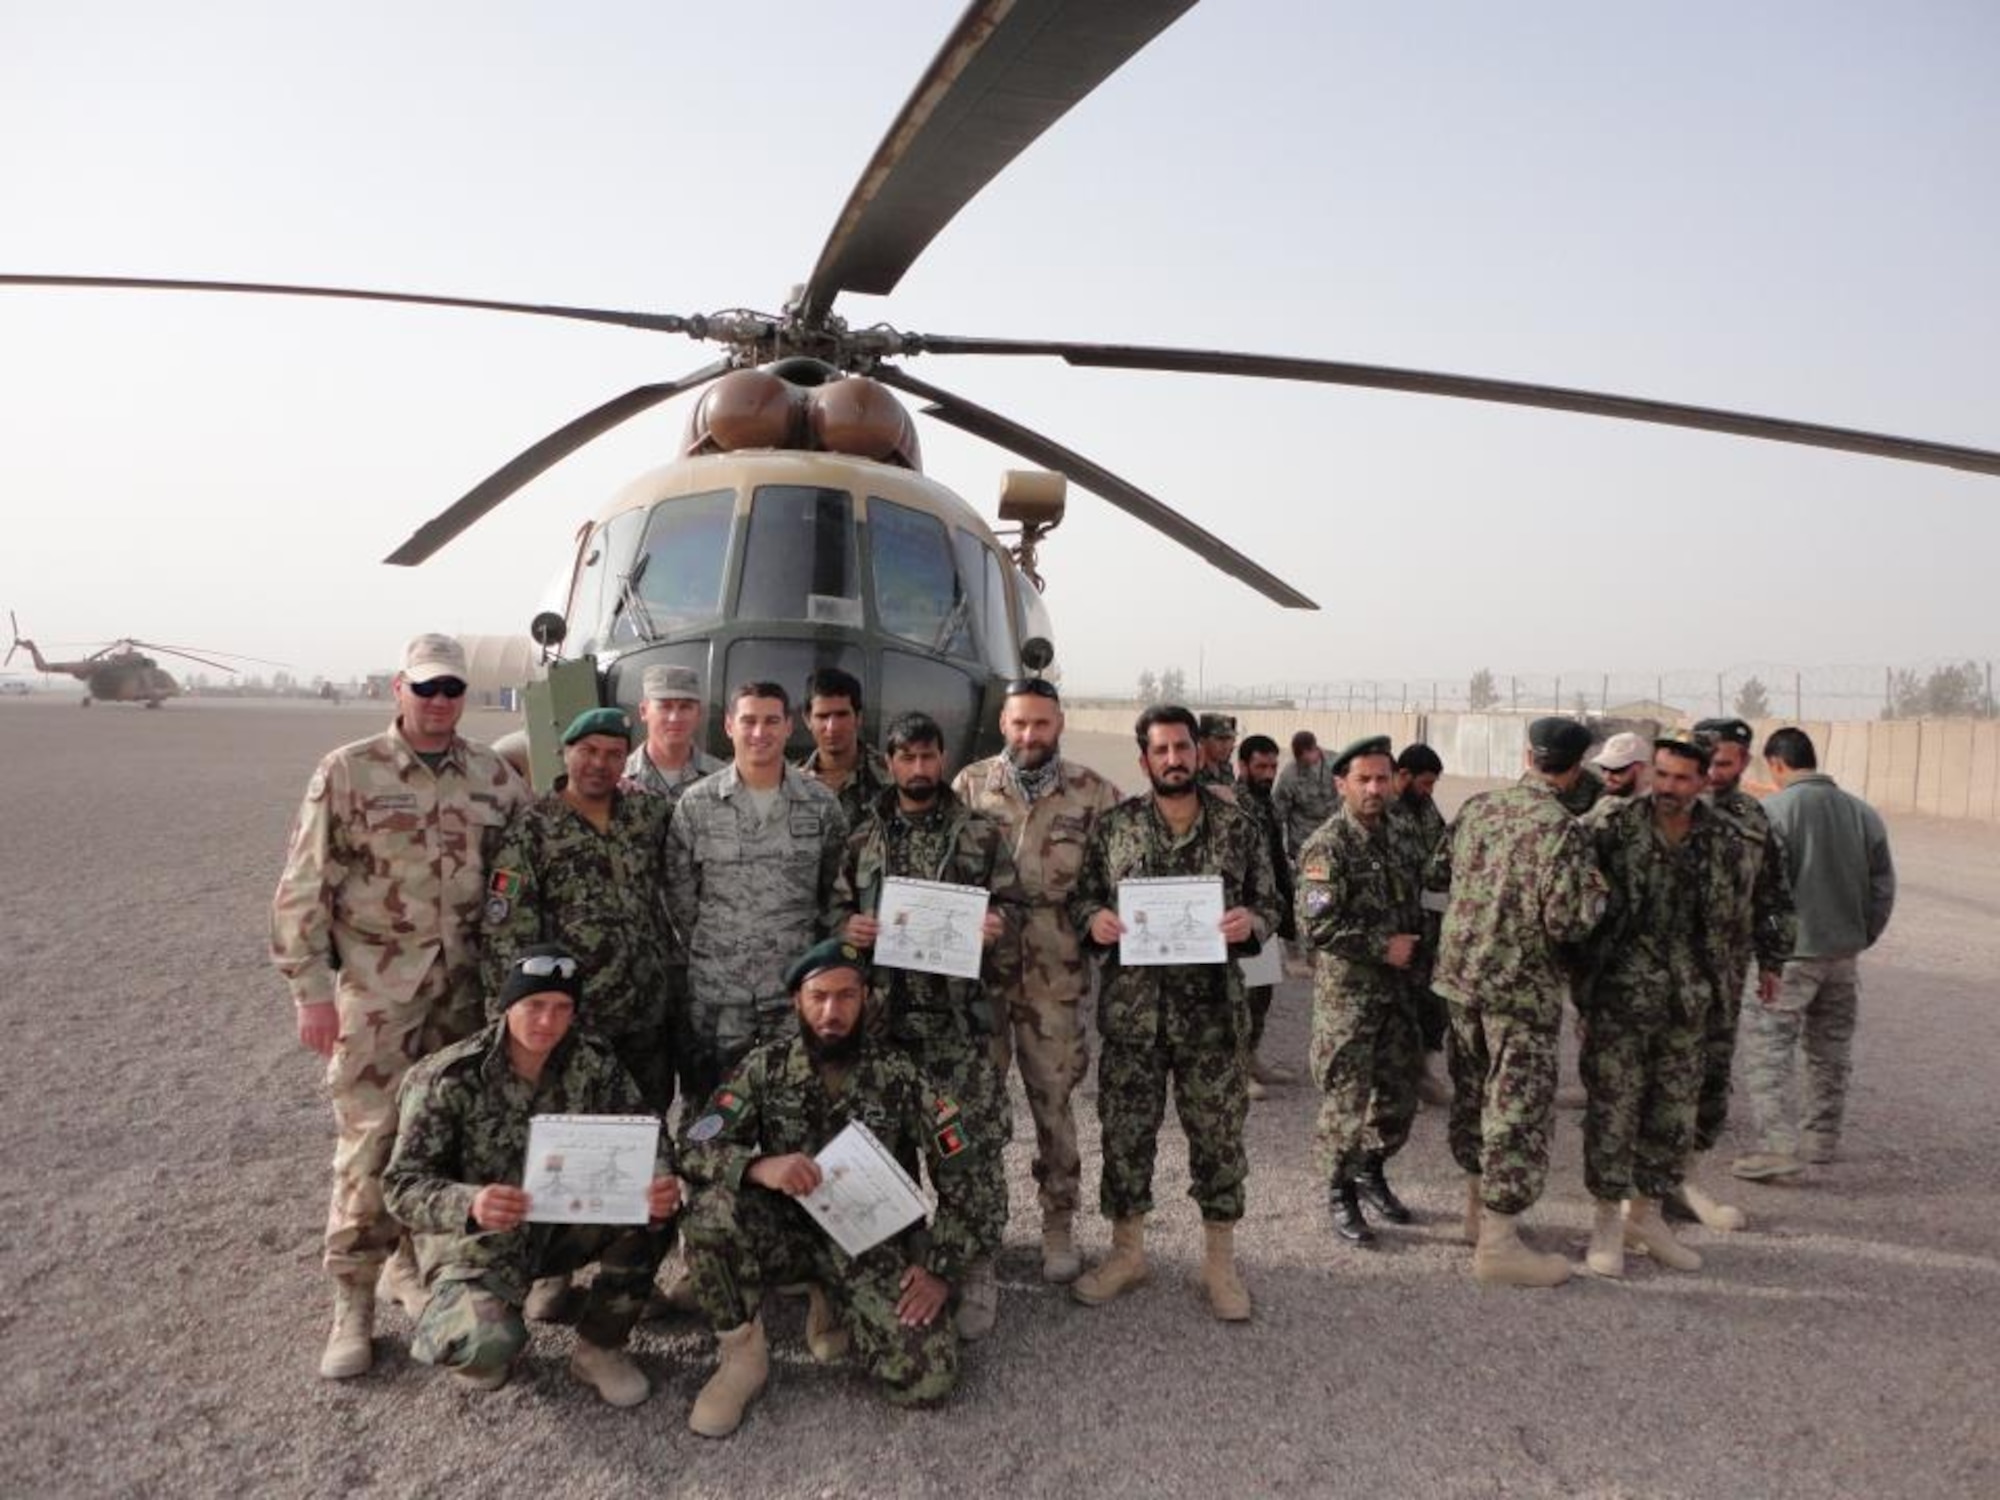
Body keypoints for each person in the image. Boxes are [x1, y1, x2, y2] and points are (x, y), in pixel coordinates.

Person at [270, 632, 529, 1379]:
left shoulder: (492, 777)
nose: (441, 702)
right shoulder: (349, 772)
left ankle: (412, 1268)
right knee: (371, 1141)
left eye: (452, 690)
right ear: (399, 690)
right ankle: (352, 1299)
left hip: (468, 994)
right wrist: (310, 992)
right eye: (427, 689)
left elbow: (528, 864)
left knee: (448, 1139)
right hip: (380, 997)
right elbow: (301, 887)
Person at [677, 939, 985, 1436]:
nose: (831, 1011)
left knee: (927, 1380)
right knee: (709, 1214)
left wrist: (941, 1271)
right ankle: (743, 1359)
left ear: (865, 999)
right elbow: (692, 1146)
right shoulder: (765, 1068)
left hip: (867, 1238)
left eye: (846, 997)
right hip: (788, 1227)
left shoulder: (899, 1074)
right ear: (797, 1000)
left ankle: (835, 1299)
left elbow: (966, 1173)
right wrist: (759, 1167)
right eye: (818, 996)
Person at [383, 946, 682, 1404]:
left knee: (656, 1211)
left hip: (561, 1225)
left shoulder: (592, 1061)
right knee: (486, 1350)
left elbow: (648, 1131)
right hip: (478, 1240)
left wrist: (659, 1178)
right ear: (507, 1006)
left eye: (562, 1008)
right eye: (534, 1006)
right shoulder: (447, 1078)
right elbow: (401, 1185)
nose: (547, 1021)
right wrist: (472, 1202)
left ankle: (599, 1347)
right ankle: (431, 1292)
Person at [1067, 705, 1280, 1321]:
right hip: (1134, 1020)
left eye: (1182, 747)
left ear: (1198, 752)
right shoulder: (1115, 827)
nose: (1173, 759)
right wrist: (1094, 922)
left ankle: (1219, 1263)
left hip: (1213, 1018)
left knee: (1217, 1141)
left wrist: (1253, 922)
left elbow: (1271, 902)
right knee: (1126, 1137)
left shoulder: (1238, 827)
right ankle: (1127, 1253)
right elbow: (1084, 897)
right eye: (1160, 750)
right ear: (1144, 760)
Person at [483, 706, 680, 1319]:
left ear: (628, 759)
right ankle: (554, 1272)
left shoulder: (648, 814)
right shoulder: (532, 829)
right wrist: (524, 1025)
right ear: (565, 753)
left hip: (645, 1015)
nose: (598, 764)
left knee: (642, 1144)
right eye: (587, 750)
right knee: (562, 1148)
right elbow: (505, 932)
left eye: (612, 753)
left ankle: (629, 1275)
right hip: (573, 1028)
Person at [834, 710, 1024, 1341]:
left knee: (967, 1155)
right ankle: (910, 1259)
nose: (918, 768)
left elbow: (1015, 915)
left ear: (942, 759)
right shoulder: (863, 839)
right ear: (889, 762)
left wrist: (998, 930)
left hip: (958, 1026)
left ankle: (972, 1265)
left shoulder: (980, 833)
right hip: (883, 1030)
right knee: (886, 1154)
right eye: (906, 757)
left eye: (928, 756)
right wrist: (848, 932)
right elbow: (833, 914)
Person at [1575, 737, 1767, 1278]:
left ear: (1705, 782)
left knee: (1672, 1114)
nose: (1667, 787)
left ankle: (1647, 1216)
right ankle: (1607, 1221)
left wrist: (1724, 997)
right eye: (1661, 774)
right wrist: (1582, 995)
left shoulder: (1726, 842)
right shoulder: (1611, 829)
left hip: (1688, 1004)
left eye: (1682, 778)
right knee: (1613, 1113)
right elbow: (1575, 909)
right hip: (1620, 1000)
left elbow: (1733, 927)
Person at [951, 675, 1121, 1284]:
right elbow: (943, 872)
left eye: (1041, 724)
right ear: (1003, 724)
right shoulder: (969, 786)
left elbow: (1116, 879)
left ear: (1059, 725)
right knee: (980, 1106)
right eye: (1019, 723)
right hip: (983, 980)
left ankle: (1057, 1223)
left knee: (1054, 1106)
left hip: (1056, 979)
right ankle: (981, 1225)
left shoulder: (1094, 794)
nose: (1029, 735)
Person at [1428, 716, 1607, 1288]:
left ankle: (1475, 1214)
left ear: (1528, 755)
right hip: (1518, 993)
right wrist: (1599, 890)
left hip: (1460, 981)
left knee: (1472, 1097)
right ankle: (1500, 1244)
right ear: (1576, 767)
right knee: (1516, 1112)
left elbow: (1438, 870)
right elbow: (1568, 920)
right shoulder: (1563, 829)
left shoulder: (1480, 807)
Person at [667, 681, 848, 1108]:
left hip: (792, 996)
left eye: (771, 721)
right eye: (748, 720)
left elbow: (831, 894)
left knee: (793, 1119)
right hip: (718, 999)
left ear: (789, 727)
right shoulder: (697, 805)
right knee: (711, 1120)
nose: (759, 732)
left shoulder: (821, 806)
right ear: (729, 726)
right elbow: (679, 900)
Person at [1733, 727, 1895, 1181]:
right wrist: (1862, 935)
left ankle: (1778, 1146)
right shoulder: (1863, 814)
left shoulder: (1772, 812)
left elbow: (1753, 889)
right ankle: (1821, 1140)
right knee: (1830, 1051)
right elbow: (1883, 886)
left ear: (1777, 764)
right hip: (1842, 954)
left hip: (1789, 958)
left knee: (1770, 1051)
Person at [1295, 736, 1428, 1246]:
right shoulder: (1327, 847)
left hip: (1400, 993)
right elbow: (1315, 927)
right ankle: (1339, 1191)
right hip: (1349, 1000)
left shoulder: (1402, 834)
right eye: (1363, 780)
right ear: (1341, 784)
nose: (1375, 789)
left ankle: (1371, 1170)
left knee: (1398, 1098)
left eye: (1382, 778)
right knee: (1345, 1103)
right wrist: (1381, 945)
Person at [1673, 717, 1796, 1229]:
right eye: (1713, 764)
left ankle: (1683, 1179)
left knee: (1710, 1084)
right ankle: (1638, 1192)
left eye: (1730, 763)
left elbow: (1773, 894)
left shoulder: (1753, 818)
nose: (1720, 772)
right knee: (1660, 1081)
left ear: (1745, 762)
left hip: (1725, 974)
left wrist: (1772, 958)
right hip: (1663, 976)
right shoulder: (1665, 810)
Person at [1233, 733, 1298, 1096]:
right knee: (1241, 995)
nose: (1268, 773)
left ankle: (1252, 1055)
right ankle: (1236, 1068)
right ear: (1242, 766)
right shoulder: (1234, 804)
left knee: (1262, 993)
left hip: (1268, 910)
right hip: (1244, 911)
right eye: (1261, 766)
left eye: (1273, 766)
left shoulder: (1266, 803)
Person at [1395, 743, 1454, 1106]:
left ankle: (1424, 1070)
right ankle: (1401, 1079)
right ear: (1404, 776)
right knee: (1401, 1005)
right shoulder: (1384, 811)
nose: (1429, 791)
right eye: (1425, 783)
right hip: (1400, 926)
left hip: (1431, 923)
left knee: (1434, 1002)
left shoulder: (1427, 808)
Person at [796, 666, 891, 826]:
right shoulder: (789, 784)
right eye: (822, 716)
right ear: (807, 720)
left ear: (858, 717)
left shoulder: (889, 777)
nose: (832, 727)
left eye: (841, 715)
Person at [623, 663, 726, 801]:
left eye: (685, 707)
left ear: (699, 713)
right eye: (665, 707)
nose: (675, 718)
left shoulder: (724, 780)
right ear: (643, 711)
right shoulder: (618, 777)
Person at [1273, 730, 1339, 862]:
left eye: (1306, 756)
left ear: (1315, 748)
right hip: (1303, 844)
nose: (1304, 763)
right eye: (1300, 759)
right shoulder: (1289, 775)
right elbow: (1278, 813)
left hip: (1335, 839)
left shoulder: (1337, 763)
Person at [1589, 732, 1651, 800]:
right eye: (1604, 768)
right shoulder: (1603, 800)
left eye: (1616, 769)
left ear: (1641, 767)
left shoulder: (1657, 805)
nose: (1607, 777)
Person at [1194, 713, 1239, 790]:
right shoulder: (1194, 772)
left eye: (1229, 739)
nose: (1226, 746)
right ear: (1202, 740)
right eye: (1220, 739)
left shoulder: (1226, 769)